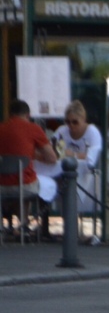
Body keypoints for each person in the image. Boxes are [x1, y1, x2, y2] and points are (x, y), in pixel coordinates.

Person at [0, 100, 57, 237]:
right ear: (28, 115)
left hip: (1, 185)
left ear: (10, 114)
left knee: (21, 181)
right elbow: (52, 158)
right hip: (24, 185)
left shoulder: (1, 128)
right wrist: (33, 155)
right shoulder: (33, 129)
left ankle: (7, 226)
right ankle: (24, 225)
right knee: (38, 182)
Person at [48, 100, 104, 216]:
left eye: (75, 122)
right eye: (68, 122)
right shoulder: (62, 131)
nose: (71, 126)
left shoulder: (92, 132)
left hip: (88, 176)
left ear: (83, 120)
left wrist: (70, 154)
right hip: (63, 175)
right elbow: (52, 150)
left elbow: (90, 159)